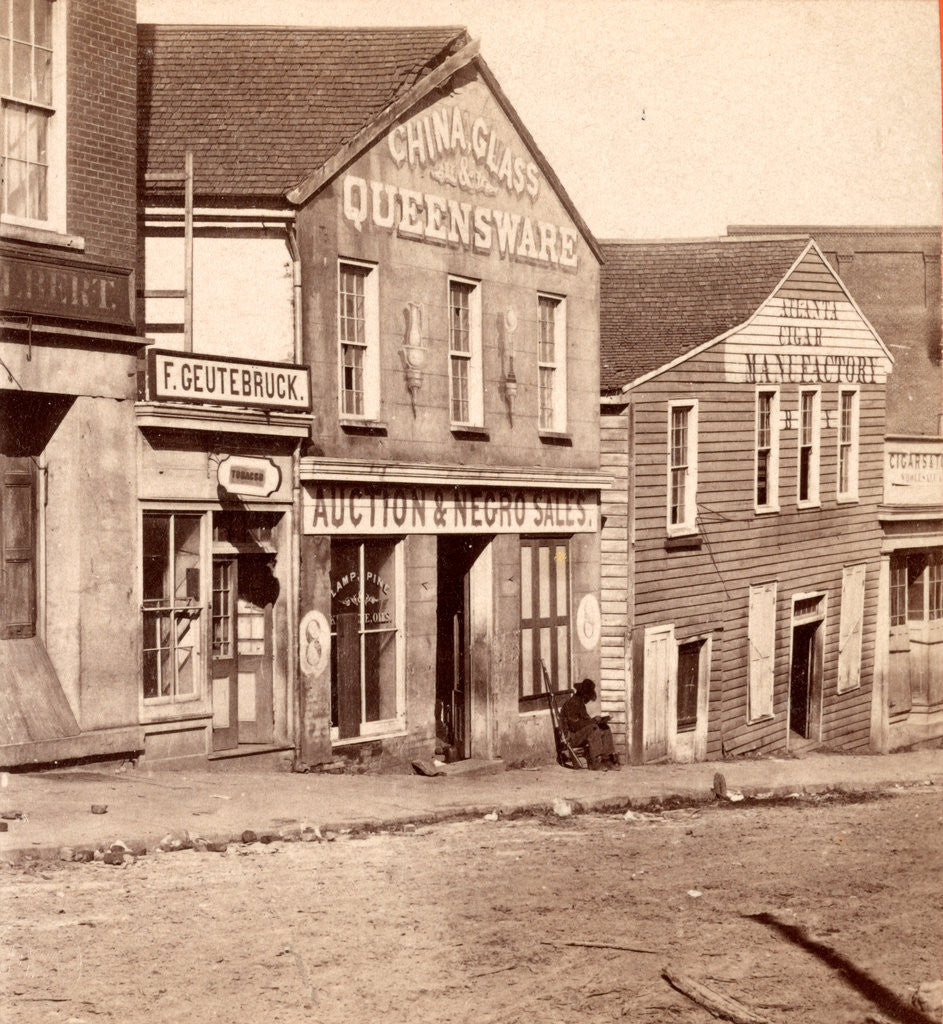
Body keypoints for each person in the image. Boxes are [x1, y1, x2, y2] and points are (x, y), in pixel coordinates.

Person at [560, 678, 620, 770]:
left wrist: (599, 721)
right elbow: (575, 726)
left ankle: (607, 759)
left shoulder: (580, 703)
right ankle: (595, 762)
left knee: (604, 727)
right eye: (588, 697)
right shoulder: (572, 704)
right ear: (583, 695)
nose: (588, 700)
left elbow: (584, 722)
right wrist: (593, 721)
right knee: (593, 728)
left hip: (580, 734)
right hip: (572, 737)